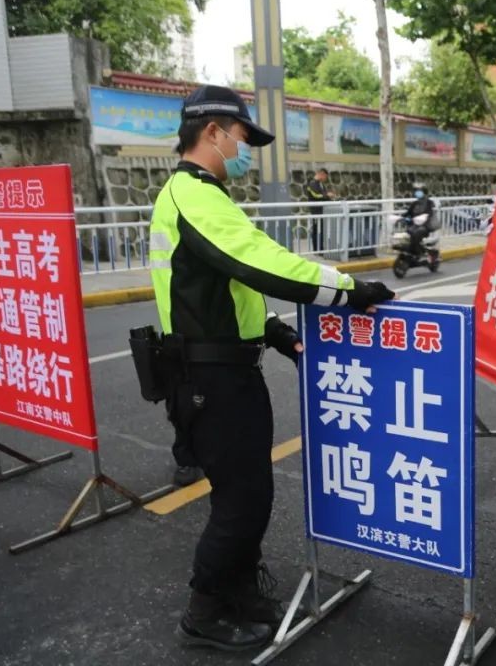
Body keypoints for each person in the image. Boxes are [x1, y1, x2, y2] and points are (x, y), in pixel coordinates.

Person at [149, 85, 395, 651]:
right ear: (213, 132)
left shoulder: (195, 194)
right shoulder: (193, 194)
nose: (244, 151)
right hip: (212, 379)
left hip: (216, 369)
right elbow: (260, 263)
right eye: (241, 138)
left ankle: (240, 593)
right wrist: (350, 290)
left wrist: (277, 333)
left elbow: (221, 291)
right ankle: (204, 611)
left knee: (247, 493)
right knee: (242, 500)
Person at [401, 183, 436, 257]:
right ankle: (413, 251)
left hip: (425, 226)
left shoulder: (429, 203)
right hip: (415, 226)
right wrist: (400, 217)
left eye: (420, 192)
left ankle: (420, 253)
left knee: (416, 233)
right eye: (417, 192)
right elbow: (408, 213)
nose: (418, 194)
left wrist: (423, 218)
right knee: (410, 232)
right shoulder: (414, 204)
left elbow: (429, 213)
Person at [304, 168, 331, 251]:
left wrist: (329, 198)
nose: (325, 179)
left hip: (321, 210)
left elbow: (323, 195)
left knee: (321, 230)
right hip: (316, 211)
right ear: (322, 174)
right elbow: (316, 195)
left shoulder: (320, 184)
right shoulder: (312, 184)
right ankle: (317, 249)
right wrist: (327, 195)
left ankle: (320, 247)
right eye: (325, 177)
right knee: (316, 230)